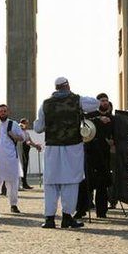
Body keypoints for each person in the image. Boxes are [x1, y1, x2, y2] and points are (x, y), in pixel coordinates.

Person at [34, 77, 99, 229]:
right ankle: (67, 218)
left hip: (52, 147)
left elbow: (38, 128)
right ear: (68, 86)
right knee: (70, 182)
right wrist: (76, 99)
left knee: (51, 183)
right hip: (72, 147)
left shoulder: (45, 104)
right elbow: (95, 103)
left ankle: (49, 218)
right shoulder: (78, 100)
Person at [76, 93, 114, 219]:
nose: (105, 102)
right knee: (85, 183)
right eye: (102, 100)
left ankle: (102, 212)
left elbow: (116, 133)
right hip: (89, 153)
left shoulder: (112, 118)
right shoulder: (90, 116)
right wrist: (98, 120)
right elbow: (82, 125)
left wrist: (113, 142)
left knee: (103, 184)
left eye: (106, 100)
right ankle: (81, 210)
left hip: (104, 154)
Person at [0, 104, 26, 214]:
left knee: (13, 182)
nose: (2, 113)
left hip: (10, 159)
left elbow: (23, 138)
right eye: (0, 111)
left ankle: (13, 204)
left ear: (8, 112)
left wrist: (14, 136)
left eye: (4, 111)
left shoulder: (13, 124)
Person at [18, 118, 42, 190]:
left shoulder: (27, 133)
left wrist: (36, 146)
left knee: (25, 167)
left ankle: (24, 183)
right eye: (26, 123)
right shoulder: (19, 132)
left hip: (25, 151)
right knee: (20, 167)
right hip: (20, 151)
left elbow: (30, 141)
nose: (27, 125)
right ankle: (19, 184)